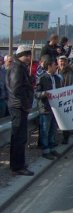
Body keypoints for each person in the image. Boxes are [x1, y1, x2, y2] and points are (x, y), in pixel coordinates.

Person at [7, 45, 34, 176]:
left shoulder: (19, 67)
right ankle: (18, 166)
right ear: (20, 55)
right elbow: (17, 89)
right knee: (19, 137)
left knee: (19, 137)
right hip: (18, 107)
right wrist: (25, 104)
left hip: (18, 106)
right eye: (27, 54)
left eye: (30, 54)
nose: (29, 57)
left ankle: (17, 164)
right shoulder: (17, 68)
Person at [35, 57, 62, 160]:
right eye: (55, 64)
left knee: (53, 130)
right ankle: (45, 150)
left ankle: (52, 148)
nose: (57, 66)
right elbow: (36, 94)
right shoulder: (42, 78)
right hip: (45, 108)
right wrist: (44, 94)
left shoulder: (57, 78)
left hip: (55, 108)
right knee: (44, 130)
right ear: (49, 66)